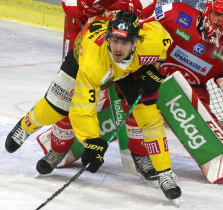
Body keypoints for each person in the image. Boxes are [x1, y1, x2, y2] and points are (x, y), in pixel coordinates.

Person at [36, 0, 223, 181]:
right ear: (207, 11)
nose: (220, 21)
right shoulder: (177, 12)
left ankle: (216, 157)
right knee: (92, 102)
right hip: (146, 75)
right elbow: (143, 26)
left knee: (198, 115)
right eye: (217, 14)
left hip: (188, 88)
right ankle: (61, 147)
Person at [5, 11, 181, 200]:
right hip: (80, 60)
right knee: (55, 109)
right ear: (107, 39)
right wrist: (92, 142)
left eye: (125, 43)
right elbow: (82, 109)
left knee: (149, 115)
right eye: (115, 41)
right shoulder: (92, 65)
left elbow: (164, 38)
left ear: (136, 42)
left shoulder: (149, 44)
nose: (118, 49)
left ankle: (164, 173)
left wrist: (155, 70)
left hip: (127, 70)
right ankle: (25, 126)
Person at [47, 0, 157, 177]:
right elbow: (68, 1)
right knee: (69, 97)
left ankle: (139, 154)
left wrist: (127, 5)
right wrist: (88, 2)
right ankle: (58, 148)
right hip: (86, 39)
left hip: (123, 41)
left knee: (135, 98)